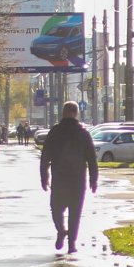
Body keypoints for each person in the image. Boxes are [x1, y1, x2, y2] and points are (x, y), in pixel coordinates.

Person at [38, 101, 98, 252]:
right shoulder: (83, 133)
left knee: (56, 208)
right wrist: (93, 179)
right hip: (78, 179)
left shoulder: (55, 132)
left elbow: (45, 156)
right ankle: (72, 244)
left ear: (63, 113)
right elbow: (92, 158)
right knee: (75, 212)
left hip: (60, 178)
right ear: (76, 113)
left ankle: (61, 230)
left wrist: (44, 176)